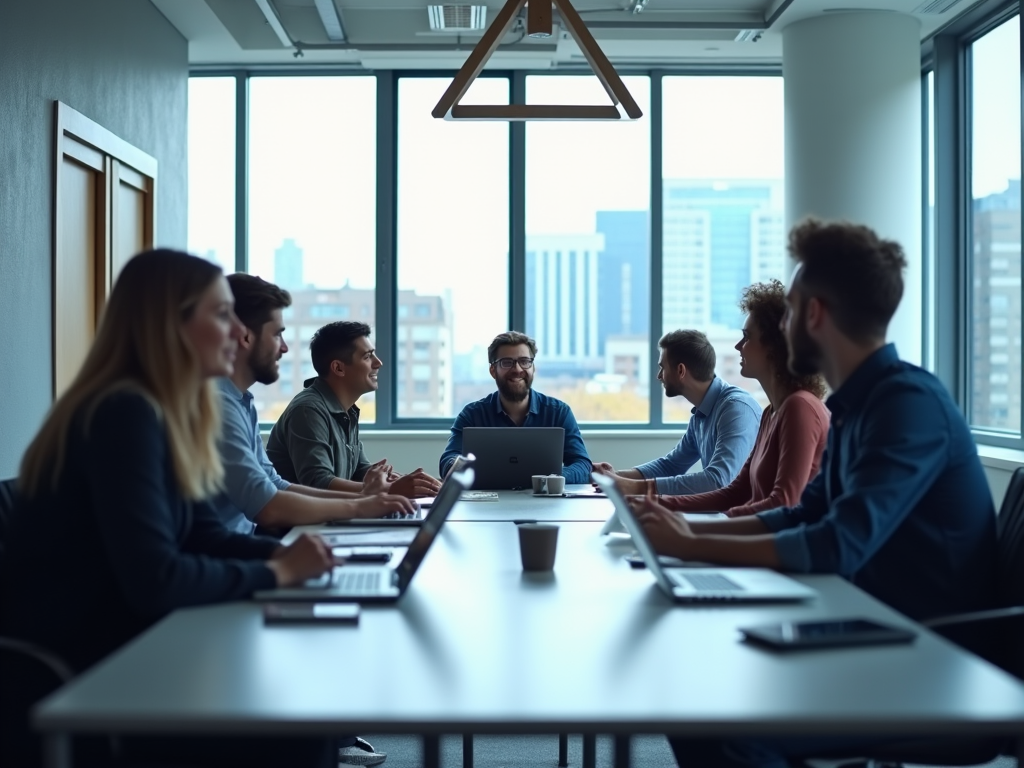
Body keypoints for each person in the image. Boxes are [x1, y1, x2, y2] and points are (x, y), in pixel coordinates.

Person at [629, 220, 998, 768]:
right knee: (695, 695)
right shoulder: (856, 407)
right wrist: (690, 534)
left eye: (792, 309)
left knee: (719, 724)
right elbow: (805, 512)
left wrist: (697, 543)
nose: (783, 324)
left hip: (928, 658)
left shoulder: (906, 405)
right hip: (868, 626)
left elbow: (839, 543)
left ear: (815, 315)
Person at [0, 250, 338, 768]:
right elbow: (155, 577)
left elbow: (203, 534)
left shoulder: (167, 412)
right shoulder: (123, 413)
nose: (238, 334)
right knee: (296, 729)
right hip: (86, 669)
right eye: (222, 315)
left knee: (298, 694)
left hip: (138, 640)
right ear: (171, 324)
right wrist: (274, 572)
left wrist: (299, 562)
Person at [212, 274, 416, 539]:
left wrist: (379, 492)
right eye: (277, 335)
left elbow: (275, 485)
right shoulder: (223, 406)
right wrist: (363, 503)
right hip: (232, 549)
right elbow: (268, 505)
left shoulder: (243, 402)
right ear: (244, 336)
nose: (284, 348)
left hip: (244, 541)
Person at [652, 281, 829, 517]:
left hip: (782, 549)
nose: (738, 346)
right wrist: (659, 504)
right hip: (760, 540)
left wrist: (703, 529)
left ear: (775, 345)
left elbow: (782, 504)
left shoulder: (800, 407)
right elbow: (736, 492)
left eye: (746, 337)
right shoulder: (771, 413)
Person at [268, 320, 441, 498]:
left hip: (328, 517)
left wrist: (401, 481)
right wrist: (389, 490)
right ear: (338, 368)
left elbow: (359, 470)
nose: (378, 363)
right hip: (297, 524)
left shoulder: (346, 410)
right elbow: (318, 482)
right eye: (367, 356)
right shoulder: (308, 411)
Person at [594, 330, 760, 496]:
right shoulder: (701, 414)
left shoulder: (736, 408)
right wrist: (613, 477)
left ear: (681, 370)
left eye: (662, 368)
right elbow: (671, 465)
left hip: (741, 519)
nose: (659, 376)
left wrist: (636, 487)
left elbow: (717, 481)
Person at [438, 331, 592, 482]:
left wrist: (550, 478)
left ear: (533, 368)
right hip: (488, 503)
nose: (517, 369)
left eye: (524, 361)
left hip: (543, 502)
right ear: (493, 371)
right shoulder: (472, 415)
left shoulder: (559, 412)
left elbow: (583, 465)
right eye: (507, 362)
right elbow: (448, 460)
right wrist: (457, 467)